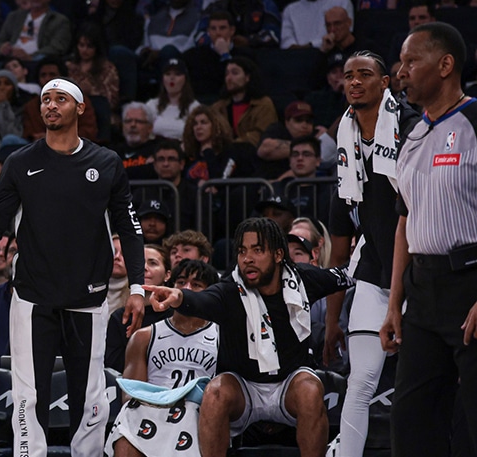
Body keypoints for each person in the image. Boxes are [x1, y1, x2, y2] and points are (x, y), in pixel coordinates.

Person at [0, 77, 146, 457]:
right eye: (45, 100)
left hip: (88, 298)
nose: (50, 106)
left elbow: (130, 228)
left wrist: (137, 288)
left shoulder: (106, 163)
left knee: (91, 397)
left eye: (60, 99)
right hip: (32, 297)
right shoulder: (21, 162)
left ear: (80, 107)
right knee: (28, 396)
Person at [145, 218, 354, 457]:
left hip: (289, 383)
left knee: (310, 390)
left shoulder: (302, 279)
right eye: (242, 251)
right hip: (244, 386)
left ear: (277, 255)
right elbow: (200, 300)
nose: (247, 259)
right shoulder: (229, 290)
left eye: (257, 250)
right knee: (214, 393)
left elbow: (346, 276)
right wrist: (178, 296)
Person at [381, 23, 477, 456]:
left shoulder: (474, 121)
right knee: (411, 419)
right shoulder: (413, 135)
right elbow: (405, 221)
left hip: (469, 285)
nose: (401, 71)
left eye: (410, 60)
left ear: (445, 65)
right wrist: (394, 303)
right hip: (422, 295)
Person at [323, 51, 412, 457]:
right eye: (348, 76)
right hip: (376, 275)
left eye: (364, 75)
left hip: (424, 273)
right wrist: (330, 321)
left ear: (385, 82)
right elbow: (339, 255)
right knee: (359, 384)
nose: (354, 82)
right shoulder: (346, 157)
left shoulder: (412, 131)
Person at [105, 259, 220, 457]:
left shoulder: (223, 336)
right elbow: (132, 393)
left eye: (197, 285)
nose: (187, 289)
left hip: (198, 413)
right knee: (129, 414)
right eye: (181, 282)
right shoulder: (143, 337)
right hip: (151, 410)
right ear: (170, 288)